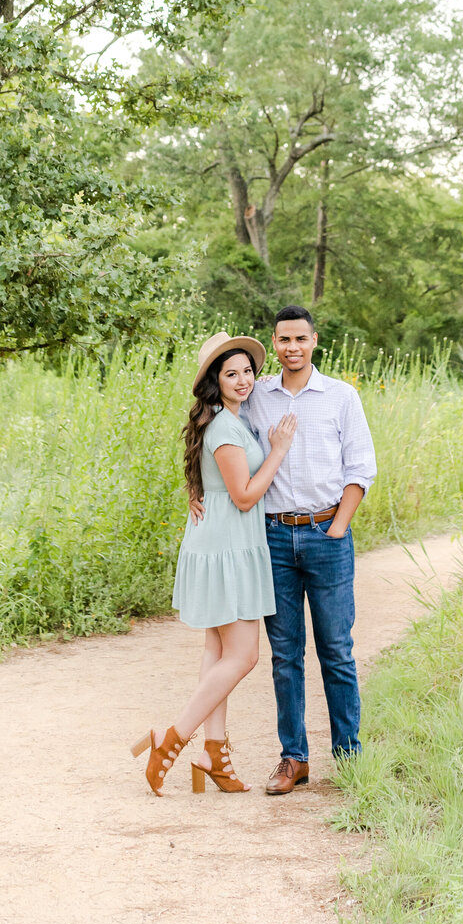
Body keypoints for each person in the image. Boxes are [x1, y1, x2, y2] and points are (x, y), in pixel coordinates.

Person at [132, 332, 297, 796]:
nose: (243, 380)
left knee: (218, 652)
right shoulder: (225, 427)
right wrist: (280, 450)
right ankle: (173, 739)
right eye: (231, 373)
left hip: (223, 542)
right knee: (244, 656)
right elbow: (244, 496)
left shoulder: (226, 422)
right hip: (229, 547)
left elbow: (219, 483)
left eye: (247, 371)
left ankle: (215, 751)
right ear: (214, 380)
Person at [243, 305, 378, 796]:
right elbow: (221, 440)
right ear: (273, 343)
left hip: (326, 534)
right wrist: (199, 487)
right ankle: (293, 758)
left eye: (300, 339)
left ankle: (348, 756)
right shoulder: (256, 397)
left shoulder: (342, 397)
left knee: (337, 652)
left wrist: (338, 529)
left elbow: (361, 467)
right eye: (283, 340)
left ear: (315, 340)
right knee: (285, 655)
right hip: (274, 537)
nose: (292, 348)